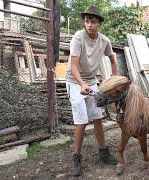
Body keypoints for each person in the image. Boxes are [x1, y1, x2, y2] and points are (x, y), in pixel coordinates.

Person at [65, 6, 118, 176]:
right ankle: (76, 158)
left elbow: (112, 59)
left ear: (99, 24)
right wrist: (81, 84)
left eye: (93, 22)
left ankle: (103, 152)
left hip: (91, 81)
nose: (89, 24)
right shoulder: (78, 38)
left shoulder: (104, 41)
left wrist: (114, 80)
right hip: (75, 81)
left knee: (97, 116)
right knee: (81, 119)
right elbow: (73, 65)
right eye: (87, 21)